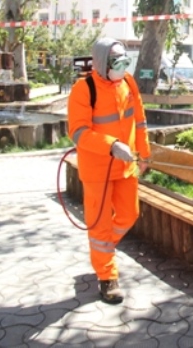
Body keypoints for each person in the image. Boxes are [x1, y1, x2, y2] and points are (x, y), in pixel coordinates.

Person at [68, 37, 151, 304]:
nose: (122, 66)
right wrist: (112, 145)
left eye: (124, 60)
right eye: (116, 61)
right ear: (102, 62)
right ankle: (107, 277)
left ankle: (103, 252)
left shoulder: (128, 82)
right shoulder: (83, 89)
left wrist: (144, 154)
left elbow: (139, 120)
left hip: (126, 167)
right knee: (100, 225)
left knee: (129, 215)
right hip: (97, 171)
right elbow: (78, 133)